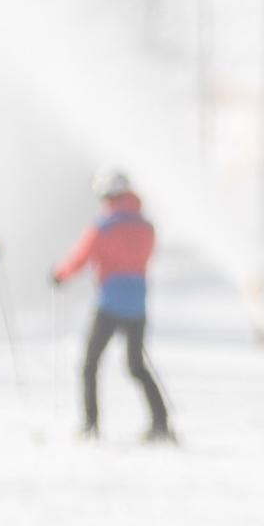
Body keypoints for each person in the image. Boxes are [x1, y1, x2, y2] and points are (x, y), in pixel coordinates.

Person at [53, 171, 174, 443]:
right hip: (138, 305)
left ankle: (91, 425)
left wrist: (59, 275)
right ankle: (161, 423)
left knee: (90, 364)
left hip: (109, 304)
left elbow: (81, 258)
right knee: (136, 366)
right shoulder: (146, 226)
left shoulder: (104, 226)